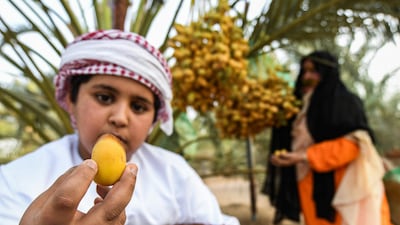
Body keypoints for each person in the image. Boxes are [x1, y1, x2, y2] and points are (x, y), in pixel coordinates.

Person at [0, 29, 240, 225]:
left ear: (154, 119)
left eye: (138, 107)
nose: (120, 118)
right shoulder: (15, 181)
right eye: (104, 97)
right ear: (71, 101)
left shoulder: (175, 174)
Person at [261, 50, 393, 225]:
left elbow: (354, 145)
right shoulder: (298, 107)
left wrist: (304, 156)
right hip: (310, 187)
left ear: (327, 73)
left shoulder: (345, 102)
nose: (306, 77)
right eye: (304, 71)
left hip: (346, 189)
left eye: (314, 71)